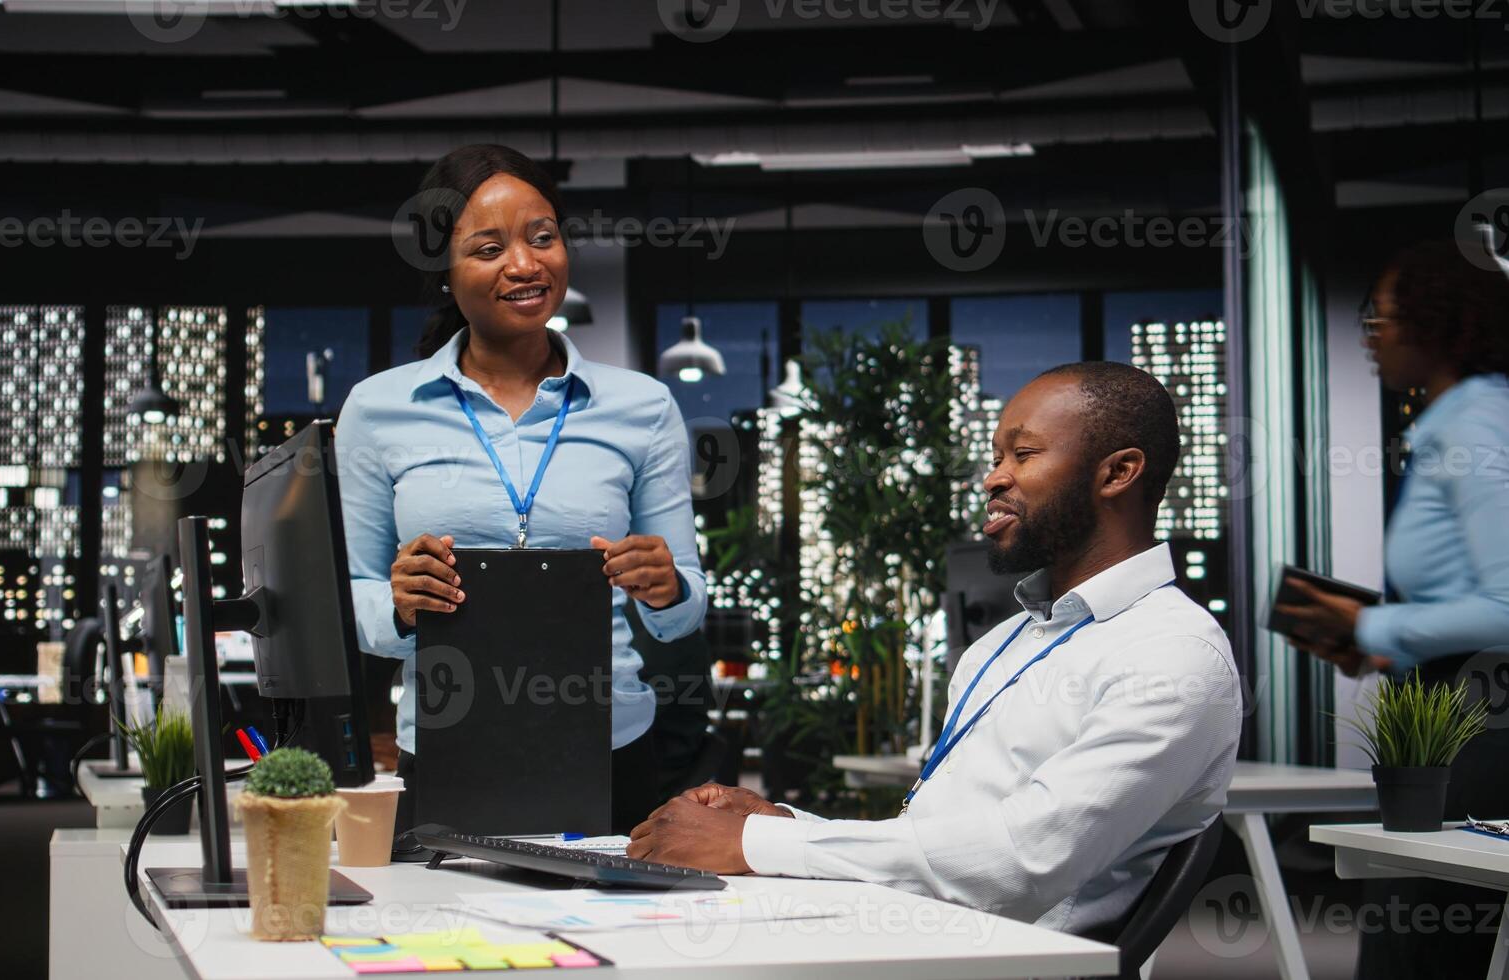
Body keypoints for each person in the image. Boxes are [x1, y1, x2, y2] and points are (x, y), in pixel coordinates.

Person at [628, 361, 1242, 935]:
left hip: (992, 961)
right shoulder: (1002, 644)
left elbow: (1021, 864)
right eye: (998, 455)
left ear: (1117, 472)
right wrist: (779, 825)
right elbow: (939, 843)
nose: (995, 476)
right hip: (913, 933)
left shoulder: (1174, 653)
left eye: (1023, 454)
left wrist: (753, 844)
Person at [334, 144, 707, 835]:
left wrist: (668, 586)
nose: (526, 265)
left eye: (544, 238)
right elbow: (351, 598)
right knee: (450, 943)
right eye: (488, 248)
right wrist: (399, 602)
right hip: (447, 749)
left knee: (615, 943)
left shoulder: (643, 407)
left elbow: (682, 608)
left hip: (611, 753)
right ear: (444, 270)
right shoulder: (377, 409)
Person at [1273, 238, 1509, 978]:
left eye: (1381, 318)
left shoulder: (1473, 425)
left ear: (1439, 323)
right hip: (1448, 720)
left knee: (1417, 952)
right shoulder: (1450, 425)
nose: (1371, 336)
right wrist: (1375, 637)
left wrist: (1370, 625)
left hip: (1478, 735)